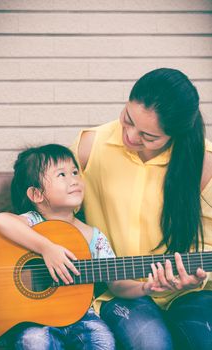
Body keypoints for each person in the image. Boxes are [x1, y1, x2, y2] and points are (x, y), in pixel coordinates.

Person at [72, 68, 212, 349]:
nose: (131, 136)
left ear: (175, 136)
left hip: (189, 293)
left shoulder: (204, 162)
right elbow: (55, 214)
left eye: (148, 136)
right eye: (128, 119)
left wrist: (197, 278)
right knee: (152, 344)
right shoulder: (91, 145)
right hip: (120, 291)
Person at [0, 144, 116, 350]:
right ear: (37, 195)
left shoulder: (92, 235)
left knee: (103, 341)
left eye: (75, 172)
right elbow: (1, 220)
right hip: (34, 317)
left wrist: (145, 286)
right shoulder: (32, 222)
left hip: (82, 317)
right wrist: (47, 248)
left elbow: (116, 281)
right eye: (62, 175)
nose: (74, 179)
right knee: (34, 342)